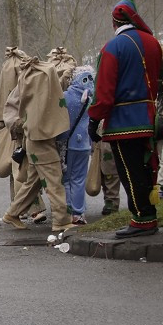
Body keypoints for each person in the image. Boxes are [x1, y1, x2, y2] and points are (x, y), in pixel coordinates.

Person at [88, 0, 163, 238]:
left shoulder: (112, 48)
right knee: (145, 168)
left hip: (123, 121)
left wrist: (94, 118)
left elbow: (104, 92)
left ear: (114, 21)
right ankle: (148, 214)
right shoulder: (153, 43)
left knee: (129, 172)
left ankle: (141, 219)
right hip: (149, 116)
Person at [0, 55, 75, 233]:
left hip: (33, 140)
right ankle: (62, 221)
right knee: (54, 181)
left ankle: (12, 213)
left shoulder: (28, 84)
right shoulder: (42, 81)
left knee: (33, 182)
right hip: (41, 141)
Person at [62, 65, 95, 225]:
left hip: (69, 143)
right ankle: (79, 212)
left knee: (66, 179)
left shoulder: (67, 96)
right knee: (79, 179)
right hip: (85, 144)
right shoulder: (92, 96)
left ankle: (69, 212)